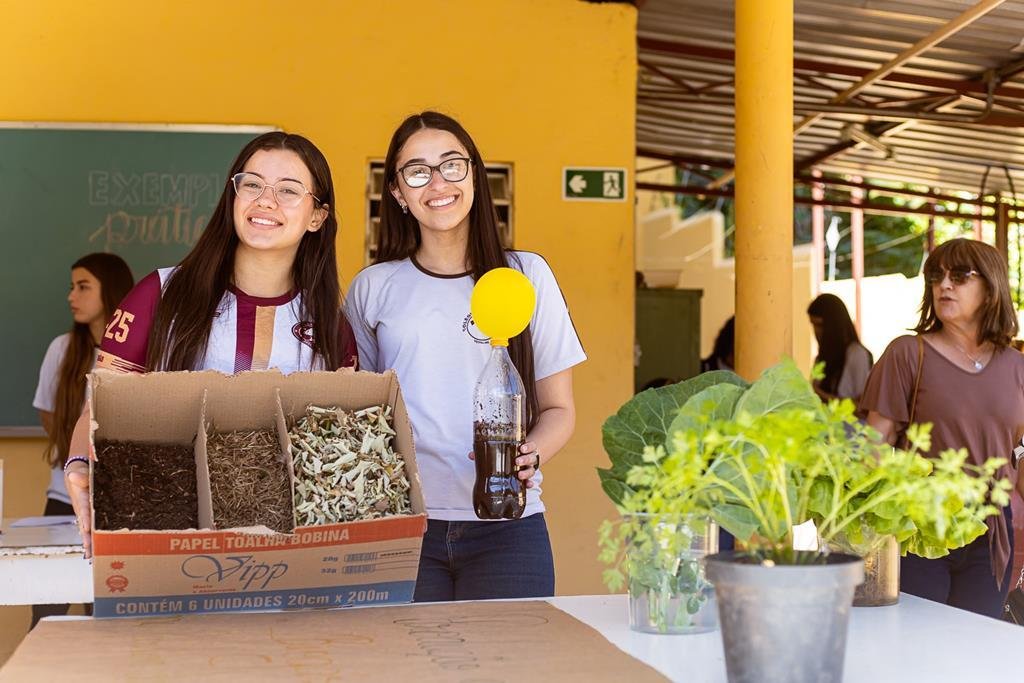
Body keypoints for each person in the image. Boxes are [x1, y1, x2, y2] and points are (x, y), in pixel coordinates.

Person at [64, 132, 357, 557]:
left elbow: (341, 446)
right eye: (252, 184)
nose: (265, 201)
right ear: (233, 196)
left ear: (317, 216)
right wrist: (78, 463)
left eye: (289, 190)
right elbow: (100, 406)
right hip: (171, 541)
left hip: (290, 555)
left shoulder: (331, 327)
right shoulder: (158, 294)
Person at [345, 112, 586, 601]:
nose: (438, 183)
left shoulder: (525, 276)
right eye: (417, 172)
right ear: (397, 192)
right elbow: (361, 412)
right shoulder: (373, 287)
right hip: (403, 525)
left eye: (451, 165)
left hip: (508, 526)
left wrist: (530, 455)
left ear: (474, 173)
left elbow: (559, 409)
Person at [860, 238, 1024, 619]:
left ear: (991, 288)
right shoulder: (907, 353)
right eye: (936, 275)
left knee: (974, 645)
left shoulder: (1017, 367)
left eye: (960, 275)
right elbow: (873, 449)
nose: (944, 284)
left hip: (990, 535)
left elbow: (1019, 451)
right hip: (919, 529)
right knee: (916, 640)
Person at [31, 252, 133, 626]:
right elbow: (48, 415)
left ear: (111, 291)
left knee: (105, 609)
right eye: (72, 287)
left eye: (83, 286)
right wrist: (77, 454)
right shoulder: (62, 349)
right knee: (46, 609)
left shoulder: (139, 350)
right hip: (64, 498)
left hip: (119, 500)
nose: (72, 296)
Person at [807, 293, 872, 401]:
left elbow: (861, 404)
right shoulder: (821, 358)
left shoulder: (857, 354)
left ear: (834, 324)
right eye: (813, 325)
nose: (816, 331)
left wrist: (818, 393)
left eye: (820, 325)